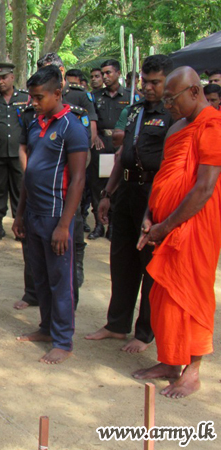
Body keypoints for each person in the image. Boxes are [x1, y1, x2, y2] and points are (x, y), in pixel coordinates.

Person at [132, 67, 221, 399]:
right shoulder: (176, 129)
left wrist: (165, 226)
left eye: (172, 98)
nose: (167, 104)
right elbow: (162, 179)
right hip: (162, 224)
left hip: (194, 225)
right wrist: (149, 215)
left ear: (195, 92)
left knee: (190, 295)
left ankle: (192, 370)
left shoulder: (213, 126)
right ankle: (170, 361)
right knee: (162, 295)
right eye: (165, 98)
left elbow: (204, 188)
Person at [85, 55, 175, 353]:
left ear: (168, 82)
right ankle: (116, 324)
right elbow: (123, 153)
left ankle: (145, 332)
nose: (148, 88)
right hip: (125, 189)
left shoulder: (174, 114)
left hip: (154, 193)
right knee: (121, 259)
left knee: (149, 263)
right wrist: (108, 194)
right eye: (144, 82)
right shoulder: (134, 111)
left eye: (155, 82)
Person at [13, 65, 88, 364]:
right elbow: (29, 173)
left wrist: (65, 225)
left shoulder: (73, 127)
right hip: (32, 214)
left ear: (58, 93)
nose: (33, 102)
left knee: (61, 280)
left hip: (57, 217)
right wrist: (19, 214)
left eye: (39, 97)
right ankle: (46, 328)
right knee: (40, 277)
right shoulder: (35, 124)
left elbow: (79, 178)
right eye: (31, 96)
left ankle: (63, 340)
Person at [89, 59, 138, 240]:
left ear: (118, 73)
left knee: (117, 185)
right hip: (101, 145)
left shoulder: (131, 96)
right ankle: (99, 225)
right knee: (98, 185)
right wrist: (95, 137)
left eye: (109, 73)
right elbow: (91, 120)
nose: (105, 77)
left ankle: (113, 225)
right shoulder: (95, 96)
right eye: (103, 74)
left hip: (120, 146)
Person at [0, 62, 30, 243]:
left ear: (12, 77)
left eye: (4, 78)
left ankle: (21, 227)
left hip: (19, 153)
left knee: (20, 189)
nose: (0, 82)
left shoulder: (25, 98)